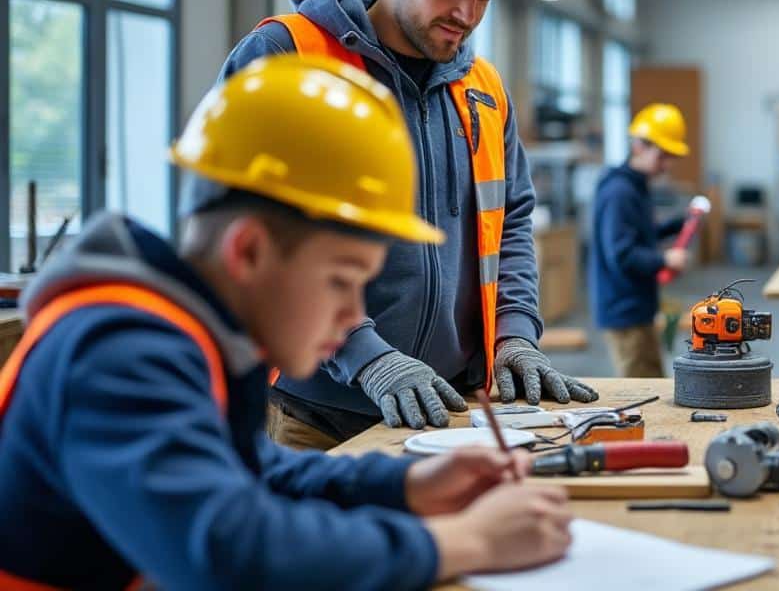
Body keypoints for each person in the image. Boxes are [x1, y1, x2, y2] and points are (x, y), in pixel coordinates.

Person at [0, 55, 572, 589]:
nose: (355, 317)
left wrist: (402, 486)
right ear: (248, 252)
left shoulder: (188, 339)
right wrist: (464, 541)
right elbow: (227, 550)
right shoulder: (118, 353)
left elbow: (251, 468)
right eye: (341, 281)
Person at [220, 0, 596, 448]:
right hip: (315, 420)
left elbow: (512, 224)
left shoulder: (483, 91)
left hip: (454, 415)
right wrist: (367, 356)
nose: (466, 15)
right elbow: (250, 236)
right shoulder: (287, 60)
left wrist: (515, 334)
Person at [589, 104, 694, 377]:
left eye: (671, 156)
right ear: (639, 146)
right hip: (625, 311)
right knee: (643, 388)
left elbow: (639, 234)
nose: (667, 164)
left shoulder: (635, 186)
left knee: (651, 378)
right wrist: (665, 258)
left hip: (637, 306)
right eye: (663, 155)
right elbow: (622, 254)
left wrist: (679, 224)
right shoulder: (620, 192)